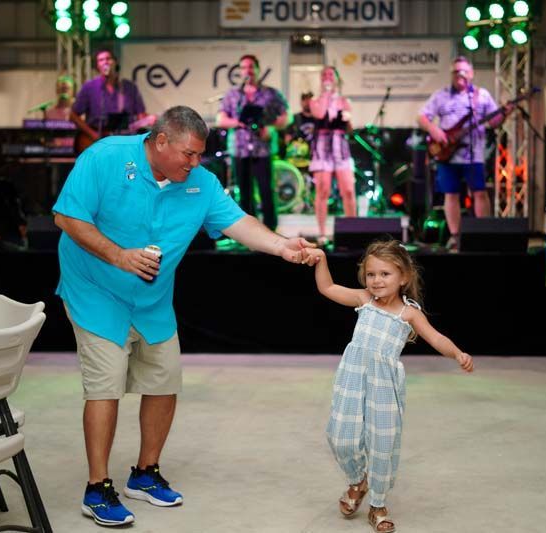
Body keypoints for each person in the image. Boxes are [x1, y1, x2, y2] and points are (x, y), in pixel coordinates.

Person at [52, 106, 316, 527]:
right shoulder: (104, 158)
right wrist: (119, 256)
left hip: (153, 300)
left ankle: (145, 473)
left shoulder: (201, 184)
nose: (195, 163)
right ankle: (97, 486)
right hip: (95, 292)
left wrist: (282, 246)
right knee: (106, 386)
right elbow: (66, 216)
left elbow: (239, 223)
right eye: (188, 155)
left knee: (163, 380)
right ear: (160, 142)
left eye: (200, 155)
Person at [305, 240, 473, 533]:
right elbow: (327, 288)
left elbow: (436, 338)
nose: (376, 281)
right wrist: (320, 260)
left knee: (382, 445)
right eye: (371, 274)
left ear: (403, 277)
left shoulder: (409, 313)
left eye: (385, 274)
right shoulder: (363, 300)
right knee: (341, 436)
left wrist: (457, 353)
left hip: (384, 384)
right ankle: (359, 480)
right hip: (353, 377)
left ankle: (378, 504)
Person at [417, 56, 512, 250]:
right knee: (450, 194)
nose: (459, 75)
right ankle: (455, 236)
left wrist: (505, 113)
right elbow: (422, 117)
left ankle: (483, 234)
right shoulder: (441, 95)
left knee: (479, 192)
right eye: (456, 71)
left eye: (463, 71)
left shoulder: (481, 95)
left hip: (474, 154)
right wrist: (434, 130)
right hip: (447, 154)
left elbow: (494, 122)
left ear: (471, 74)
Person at [217, 54, 289, 230]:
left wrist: (271, 128)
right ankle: (250, 232)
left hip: (261, 149)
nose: (247, 71)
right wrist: (238, 122)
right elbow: (221, 119)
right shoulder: (234, 94)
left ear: (257, 69)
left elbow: (286, 116)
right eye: (243, 68)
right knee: (245, 192)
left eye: (250, 67)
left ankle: (271, 230)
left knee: (266, 190)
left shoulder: (270, 93)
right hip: (240, 149)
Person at [70, 49, 156, 153]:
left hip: (123, 141)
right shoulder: (89, 87)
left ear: (115, 62)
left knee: (128, 167)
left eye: (108, 59)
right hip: (95, 140)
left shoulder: (129, 87)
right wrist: (92, 134)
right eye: (101, 60)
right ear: (97, 66)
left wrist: (149, 120)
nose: (105, 62)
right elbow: (73, 115)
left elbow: (140, 116)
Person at [309, 66, 356, 244]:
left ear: (337, 78)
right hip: (322, 149)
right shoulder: (315, 101)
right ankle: (322, 233)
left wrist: (347, 118)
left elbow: (350, 129)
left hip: (340, 148)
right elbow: (320, 114)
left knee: (349, 190)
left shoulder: (344, 101)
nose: (327, 77)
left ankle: (353, 231)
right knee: (323, 191)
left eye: (331, 74)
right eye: (324, 75)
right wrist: (327, 95)